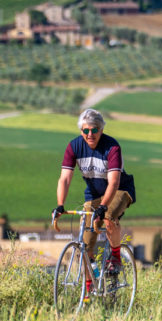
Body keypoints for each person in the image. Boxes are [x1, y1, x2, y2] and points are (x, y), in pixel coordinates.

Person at [52, 108, 136, 292]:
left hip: (120, 190)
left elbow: (113, 183)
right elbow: (65, 178)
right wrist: (60, 205)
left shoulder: (112, 147)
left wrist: (103, 208)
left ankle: (115, 257)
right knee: (84, 245)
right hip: (93, 195)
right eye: (86, 130)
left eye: (95, 130)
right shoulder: (74, 147)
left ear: (101, 130)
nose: (90, 134)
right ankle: (89, 288)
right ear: (81, 130)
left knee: (108, 217)